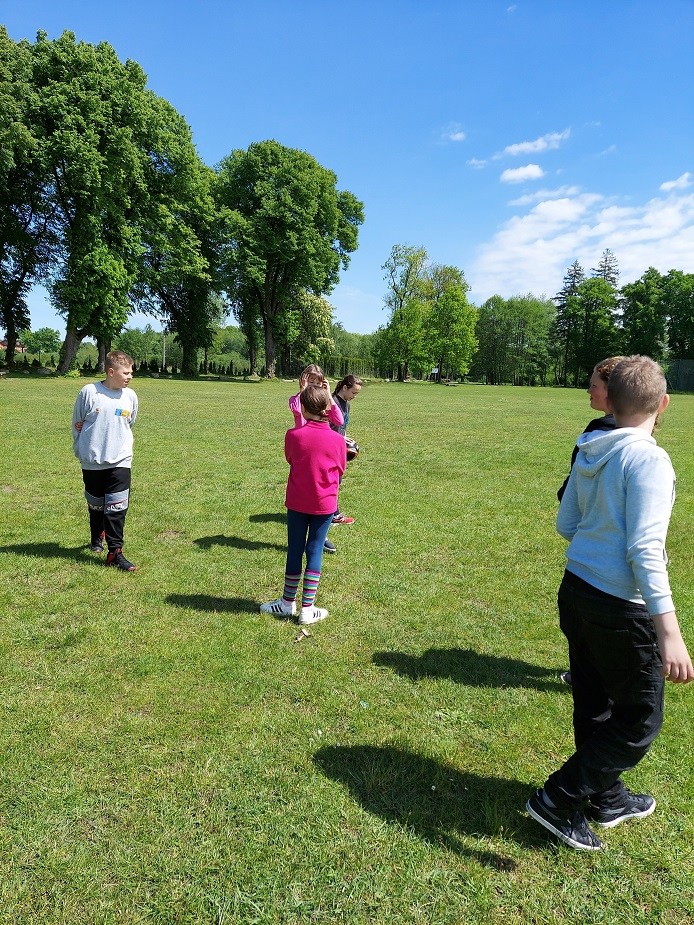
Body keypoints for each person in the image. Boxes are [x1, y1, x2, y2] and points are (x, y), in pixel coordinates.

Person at [527, 356, 693, 851]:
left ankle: (606, 796)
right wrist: (670, 632)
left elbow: (565, 524)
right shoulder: (648, 459)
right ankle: (557, 799)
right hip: (620, 607)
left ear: (610, 400)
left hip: (578, 591)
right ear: (663, 405)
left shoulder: (591, 446)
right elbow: (644, 550)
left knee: (596, 702)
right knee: (640, 719)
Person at [557, 356, 624, 685]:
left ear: (613, 392)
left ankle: (590, 675)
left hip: (593, 544)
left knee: (589, 615)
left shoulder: (598, 433)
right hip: (611, 545)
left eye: (594, 386)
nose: (588, 390)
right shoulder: (634, 436)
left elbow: (573, 491)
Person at [261, 384, 346, 625]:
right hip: (325, 503)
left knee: (295, 549)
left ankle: (287, 603)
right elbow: (341, 468)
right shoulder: (338, 439)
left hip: (298, 501)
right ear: (327, 408)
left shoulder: (294, 435)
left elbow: (290, 458)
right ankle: (307, 609)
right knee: (315, 550)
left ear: (303, 407)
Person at [72, 350, 138, 571]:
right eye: (126, 372)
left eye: (131, 372)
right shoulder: (89, 392)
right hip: (92, 462)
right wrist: (82, 449)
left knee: (116, 509)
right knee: (97, 506)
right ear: (111, 372)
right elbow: (77, 423)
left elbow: (129, 423)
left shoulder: (130, 396)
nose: (130, 376)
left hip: (120, 460)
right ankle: (96, 536)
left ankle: (115, 553)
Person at [288, 364, 343, 553]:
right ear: (303, 380)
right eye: (309, 380)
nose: (313, 384)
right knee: (305, 492)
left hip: (319, 448)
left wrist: (328, 396)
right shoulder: (297, 400)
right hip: (304, 447)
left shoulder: (324, 403)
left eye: (316, 382)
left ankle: (320, 536)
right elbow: (298, 412)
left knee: (318, 491)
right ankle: (306, 538)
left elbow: (339, 420)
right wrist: (303, 393)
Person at [330, 374, 363, 525]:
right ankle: (331, 514)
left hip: (339, 450)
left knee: (337, 482)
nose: (354, 396)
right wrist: (339, 439)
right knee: (331, 482)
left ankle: (332, 513)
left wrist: (345, 438)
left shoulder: (347, 405)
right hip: (329, 449)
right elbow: (324, 428)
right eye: (353, 392)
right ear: (345, 387)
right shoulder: (332, 402)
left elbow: (340, 427)